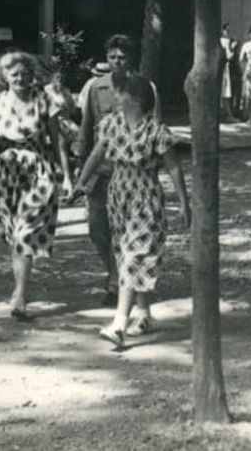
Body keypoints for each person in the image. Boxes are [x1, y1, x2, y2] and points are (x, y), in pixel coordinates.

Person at [77, 73, 189, 348]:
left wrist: (185, 202)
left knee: (133, 256)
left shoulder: (155, 130)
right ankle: (144, 313)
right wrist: (81, 183)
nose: (115, 97)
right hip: (118, 195)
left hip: (145, 197)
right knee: (124, 254)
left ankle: (118, 324)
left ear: (135, 99)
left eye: (121, 93)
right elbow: (96, 154)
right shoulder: (111, 124)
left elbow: (173, 166)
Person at [0, 51, 72, 320]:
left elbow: (58, 142)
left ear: (32, 75)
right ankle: (20, 288)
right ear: (5, 76)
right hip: (6, 171)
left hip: (38, 170)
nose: (20, 78)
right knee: (14, 233)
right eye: (14, 74)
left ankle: (20, 295)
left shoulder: (45, 100)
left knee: (26, 233)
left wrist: (66, 175)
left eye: (25, 73)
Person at [78, 35, 161, 306]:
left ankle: (119, 284)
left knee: (129, 231)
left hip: (132, 172)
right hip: (101, 170)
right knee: (96, 228)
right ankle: (114, 271)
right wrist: (83, 170)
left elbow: (155, 127)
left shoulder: (144, 87)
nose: (116, 62)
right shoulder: (95, 87)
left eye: (122, 57)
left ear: (130, 59)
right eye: (112, 57)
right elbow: (87, 129)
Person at [219, 24, 241, 120]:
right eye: (226, 30)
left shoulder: (218, 40)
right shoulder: (227, 41)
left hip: (220, 67)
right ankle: (229, 115)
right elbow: (229, 56)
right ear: (222, 31)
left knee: (222, 91)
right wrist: (233, 46)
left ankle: (226, 113)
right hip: (226, 68)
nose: (227, 32)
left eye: (228, 31)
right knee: (226, 92)